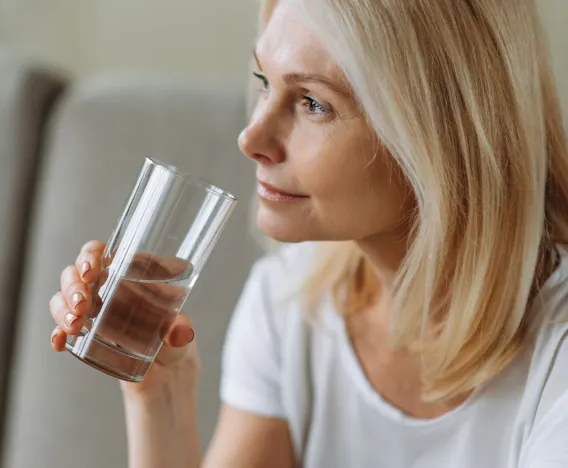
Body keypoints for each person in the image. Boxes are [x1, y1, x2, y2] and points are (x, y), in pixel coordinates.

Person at [48, 0, 568, 466]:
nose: (250, 137)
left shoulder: (555, 357)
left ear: (437, 135)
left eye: (312, 103)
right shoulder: (290, 303)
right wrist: (159, 391)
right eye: (263, 83)